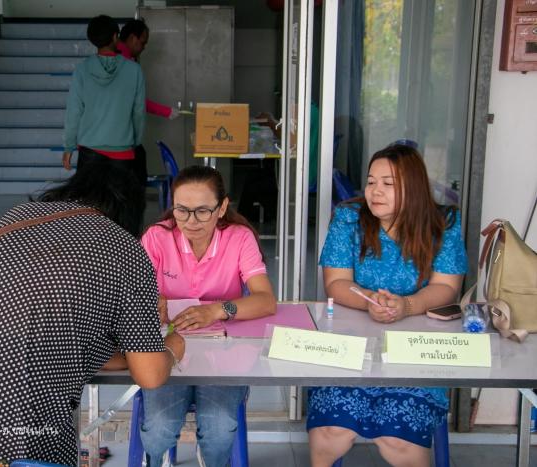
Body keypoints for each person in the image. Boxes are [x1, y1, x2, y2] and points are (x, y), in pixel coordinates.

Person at [0, 160, 185, 466]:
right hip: (7, 430)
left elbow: (41, 325)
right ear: (130, 212)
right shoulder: (124, 248)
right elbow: (150, 374)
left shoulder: (16, 219)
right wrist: (172, 349)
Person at [307, 144, 468, 467]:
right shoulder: (349, 218)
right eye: (371, 181)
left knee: (398, 440)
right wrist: (369, 303)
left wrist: (407, 306)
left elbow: (447, 287)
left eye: (388, 183)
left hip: (415, 354)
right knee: (329, 432)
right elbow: (337, 283)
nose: (375, 191)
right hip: (352, 349)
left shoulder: (443, 223)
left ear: (414, 187)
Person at [140, 165, 277, 467]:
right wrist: (153, 302)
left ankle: (210, 459)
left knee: (218, 430)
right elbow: (133, 297)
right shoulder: (157, 237)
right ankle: (156, 458)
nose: (191, 222)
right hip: (168, 346)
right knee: (159, 430)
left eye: (203, 211)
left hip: (224, 350)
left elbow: (266, 300)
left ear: (222, 207)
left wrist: (218, 309)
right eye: (182, 210)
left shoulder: (239, 238)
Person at [62, 14, 145, 191]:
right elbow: (138, 111)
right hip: (122, 151)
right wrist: (135, 142)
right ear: (115, 37)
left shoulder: (82, 70)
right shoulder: (134, 70)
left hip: (89, 151)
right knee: (120, 207)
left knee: (88, 207)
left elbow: (74, 112)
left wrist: (69, 147)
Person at [117, 18, 179, 193]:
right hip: (123, 138)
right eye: (143, 42)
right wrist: (166, 111)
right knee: (134, 185)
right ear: (132, 38)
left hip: (103, 138)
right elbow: (136, 101)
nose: (144, 47)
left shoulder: (113, 61)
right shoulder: (126, 64)